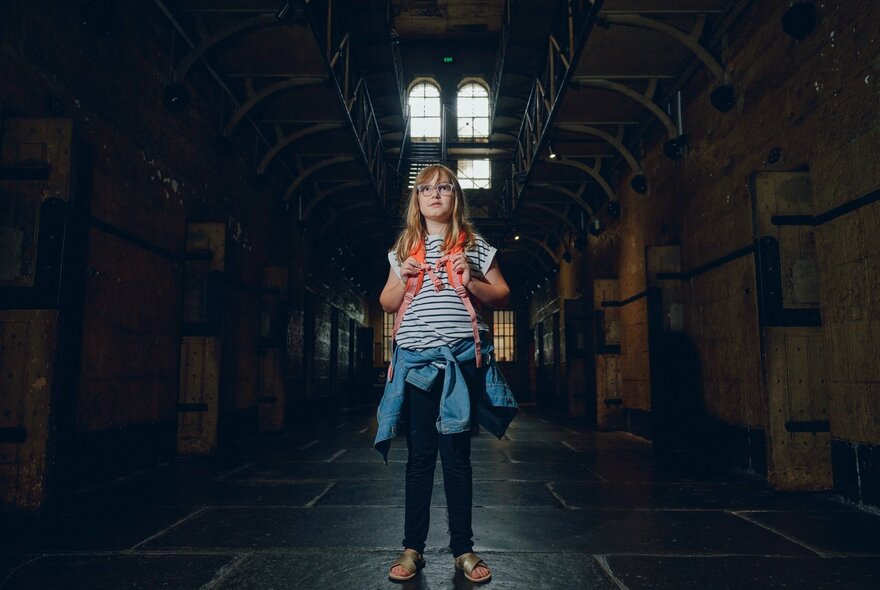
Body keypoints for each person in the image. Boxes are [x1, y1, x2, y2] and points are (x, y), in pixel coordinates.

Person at [375, 164, 518, 584]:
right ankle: (412, 548)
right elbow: (386, 302)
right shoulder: (404, 247)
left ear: (456, 198)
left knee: (456, 457)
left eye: (444, 188)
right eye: (426, 189)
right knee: (420, 456)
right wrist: (405, 279)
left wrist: (470, 280)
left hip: (460, 363)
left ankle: (463, 549)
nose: (435, 195)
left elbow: (503, 294)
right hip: (417, 362)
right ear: (416, 200)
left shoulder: (473, 244)